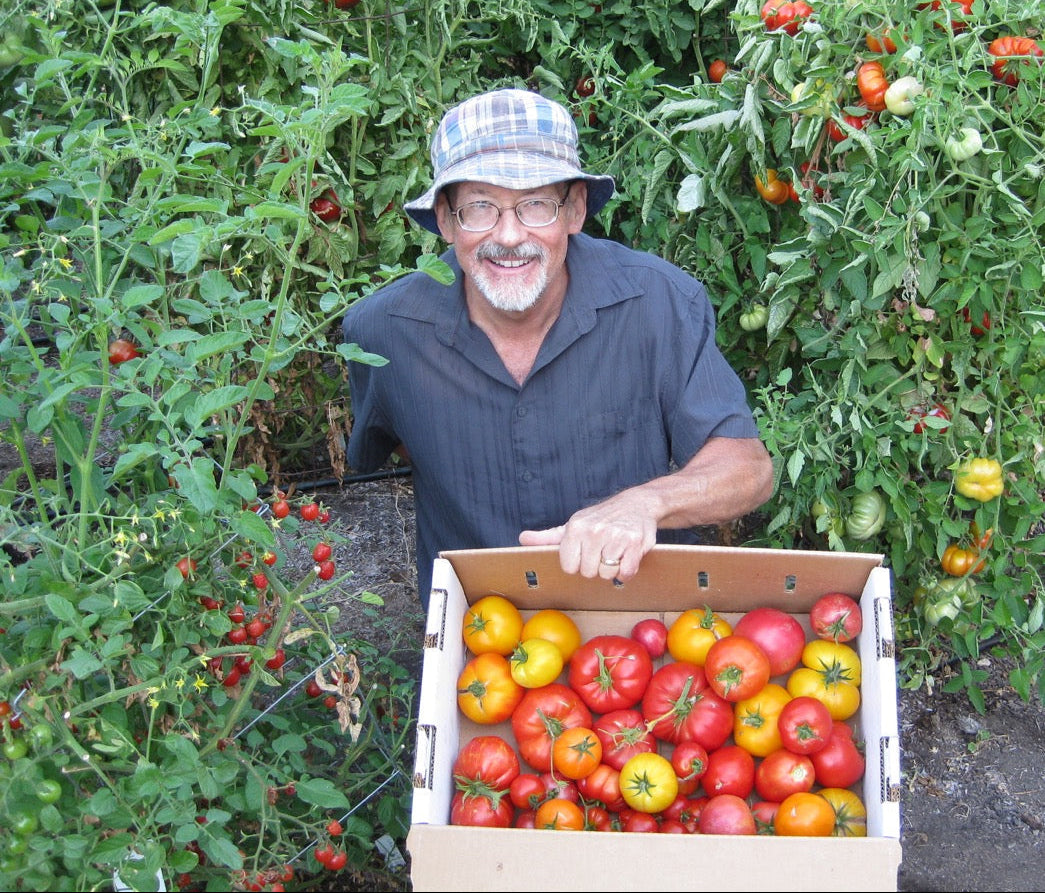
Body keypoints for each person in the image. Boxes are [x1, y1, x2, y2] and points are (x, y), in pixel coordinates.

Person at [341, 87, 774, 607]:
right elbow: (392, 443)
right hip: (483, 642)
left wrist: (644, 503)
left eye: (535, 206)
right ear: (446, 219)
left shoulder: (659, 303)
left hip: (644, 626)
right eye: (480, 206)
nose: (508, 235)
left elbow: (748, 470)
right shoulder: (382, 333)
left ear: (575, 211)